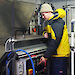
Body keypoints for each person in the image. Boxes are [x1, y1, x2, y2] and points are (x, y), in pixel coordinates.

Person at [40, 3, 70, 75]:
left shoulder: (57, 22)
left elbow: (55, 41)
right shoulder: (51, 22)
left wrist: (45, 56)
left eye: (43, 14)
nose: (43, 17)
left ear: (49, 12)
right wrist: (44, 33)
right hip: (55, 55)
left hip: (60, 56)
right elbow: (45, 30)